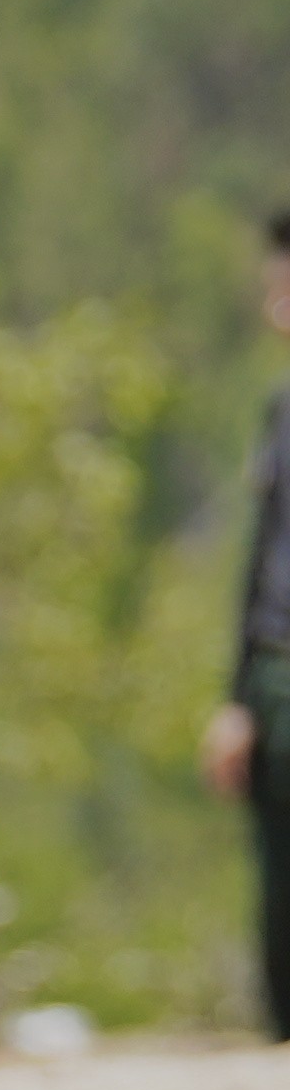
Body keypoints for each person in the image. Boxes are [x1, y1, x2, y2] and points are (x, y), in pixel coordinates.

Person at [210, 201, 290, 1045]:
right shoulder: (282, 411)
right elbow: (261, 562)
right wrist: (236, 698)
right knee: (277, 873)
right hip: (276, 668)